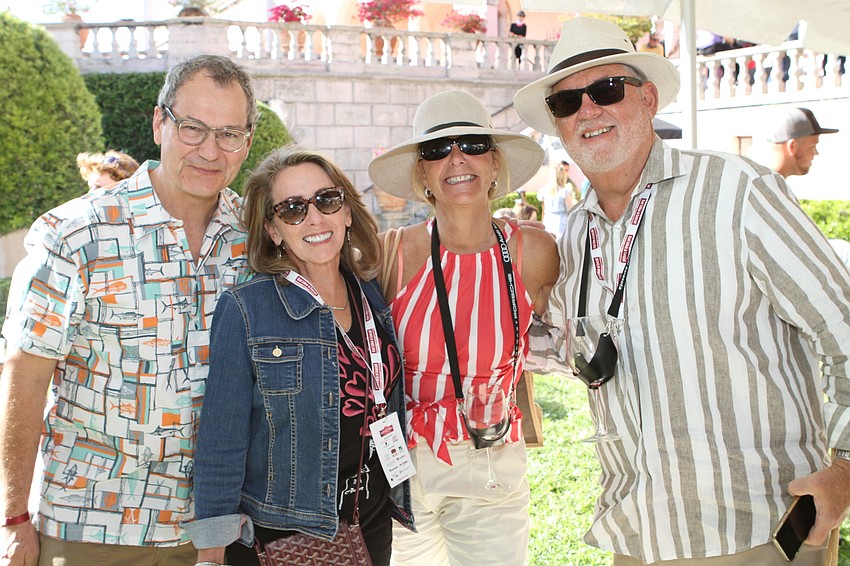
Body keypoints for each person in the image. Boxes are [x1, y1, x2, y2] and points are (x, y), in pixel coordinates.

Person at [514, 16, 850, 565]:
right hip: (637, 533)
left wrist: (846, 467)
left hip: (757, 531)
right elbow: (581, 355)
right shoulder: (578, 231)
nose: (588, 111)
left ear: (647, 98)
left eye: (605, 90)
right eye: (566, 103)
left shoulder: (738, 191)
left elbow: (842, 325)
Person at [0, 54, 257, 566]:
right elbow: (24, 376)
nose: (211, 150)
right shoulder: (77, 234)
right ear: (160, 122)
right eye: (192, 128)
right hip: (92, 529)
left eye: (229, 133)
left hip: (215, 534)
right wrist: (11, 519)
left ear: (248, 140)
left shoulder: (255, 240)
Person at [184, 146, 415, 566]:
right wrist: (211, 552)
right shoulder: (247, 310)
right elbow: (222, 439)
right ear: (273, 230)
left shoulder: (371, 294)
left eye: (327, 200)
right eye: (292, 209)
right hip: (285, 532)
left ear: (346, 211)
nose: (314, 218)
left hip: (370, 515)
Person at [368, 89, 559, 566]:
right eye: (436, 150)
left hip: (490, 459)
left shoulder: (533, 253)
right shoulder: (390, 254)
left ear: (495, 165)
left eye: (473, 144)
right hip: (401, 470)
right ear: (423, 174)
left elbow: (575, 335)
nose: (456, 159)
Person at [764, 107, 839, 178]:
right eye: (813, 146)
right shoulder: (764, 189)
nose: (816, 153)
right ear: (792, 146)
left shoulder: (767, 185)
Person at [540, 160, 578, 236]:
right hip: (561, 221)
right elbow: (570, 210)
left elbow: (543, 209)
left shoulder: (544, 190)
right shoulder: (565, 191)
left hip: (548, 219)